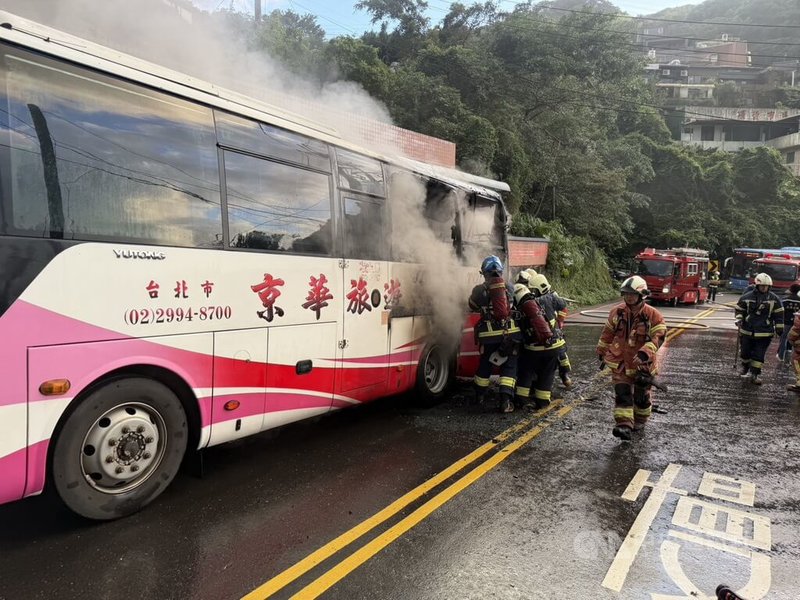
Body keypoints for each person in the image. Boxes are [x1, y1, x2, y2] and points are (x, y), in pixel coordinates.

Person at [596, 276, 667, 441]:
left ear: (642, 295)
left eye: (632, 294)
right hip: (620, 362)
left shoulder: (652, 315)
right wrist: (601, 350)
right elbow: (607, 333)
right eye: (626, 293)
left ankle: (640, 420)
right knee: (622, 392)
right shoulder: (617, 312)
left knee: (641, 397)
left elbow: (659, 335)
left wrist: (645, 352)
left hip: (642, 364)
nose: (628, 297)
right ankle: (623, 426)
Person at [468, 255, 522, 413]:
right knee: (510, 366)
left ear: (484, 272)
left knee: (485, 364)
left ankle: (479, 397)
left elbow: (471, 305)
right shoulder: (510, 287)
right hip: (510, 334)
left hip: (489, 336)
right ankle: (505, 402)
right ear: (500, 271)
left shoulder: (479, 290)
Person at [735, 273, 784, 385]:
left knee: (759, 354)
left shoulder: (774, 299)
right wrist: (739, 319)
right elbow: (739, 309)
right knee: (744, 353)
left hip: (764, 333)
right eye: (762, 286)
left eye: (766, 286)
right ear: (757, 285)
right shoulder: (746, 297)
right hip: (747, 330)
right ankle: (746, 367)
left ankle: (754, 374)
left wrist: (779, 329)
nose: (764, 288)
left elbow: (779, 315)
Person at [512, 283, 554, 409]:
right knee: (546, 374)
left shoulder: (519, 311)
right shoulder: (539, 302)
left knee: (526, 371)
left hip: (534, 348)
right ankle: (542, 401)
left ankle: (521, 399)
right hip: (553, 345)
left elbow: (519, 333)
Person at [528, 273, 573, 389]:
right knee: (558, 352)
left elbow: (563, 308)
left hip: (548, 334)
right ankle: (564, 376)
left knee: (559, 353)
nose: (531, 291)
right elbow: (563, 305)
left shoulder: (541, 299)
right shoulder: (550, 297)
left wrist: (560, 321)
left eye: (533, 289)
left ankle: (564, 375)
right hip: (550, 335)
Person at [778, 283, 800, 362]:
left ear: (790, 290)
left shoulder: (785, 300)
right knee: (793, 340)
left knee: (783, 338)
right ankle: (789, 357)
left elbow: (780, 311)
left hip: (786, 322)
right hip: (796, 324)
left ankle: (781, 356)